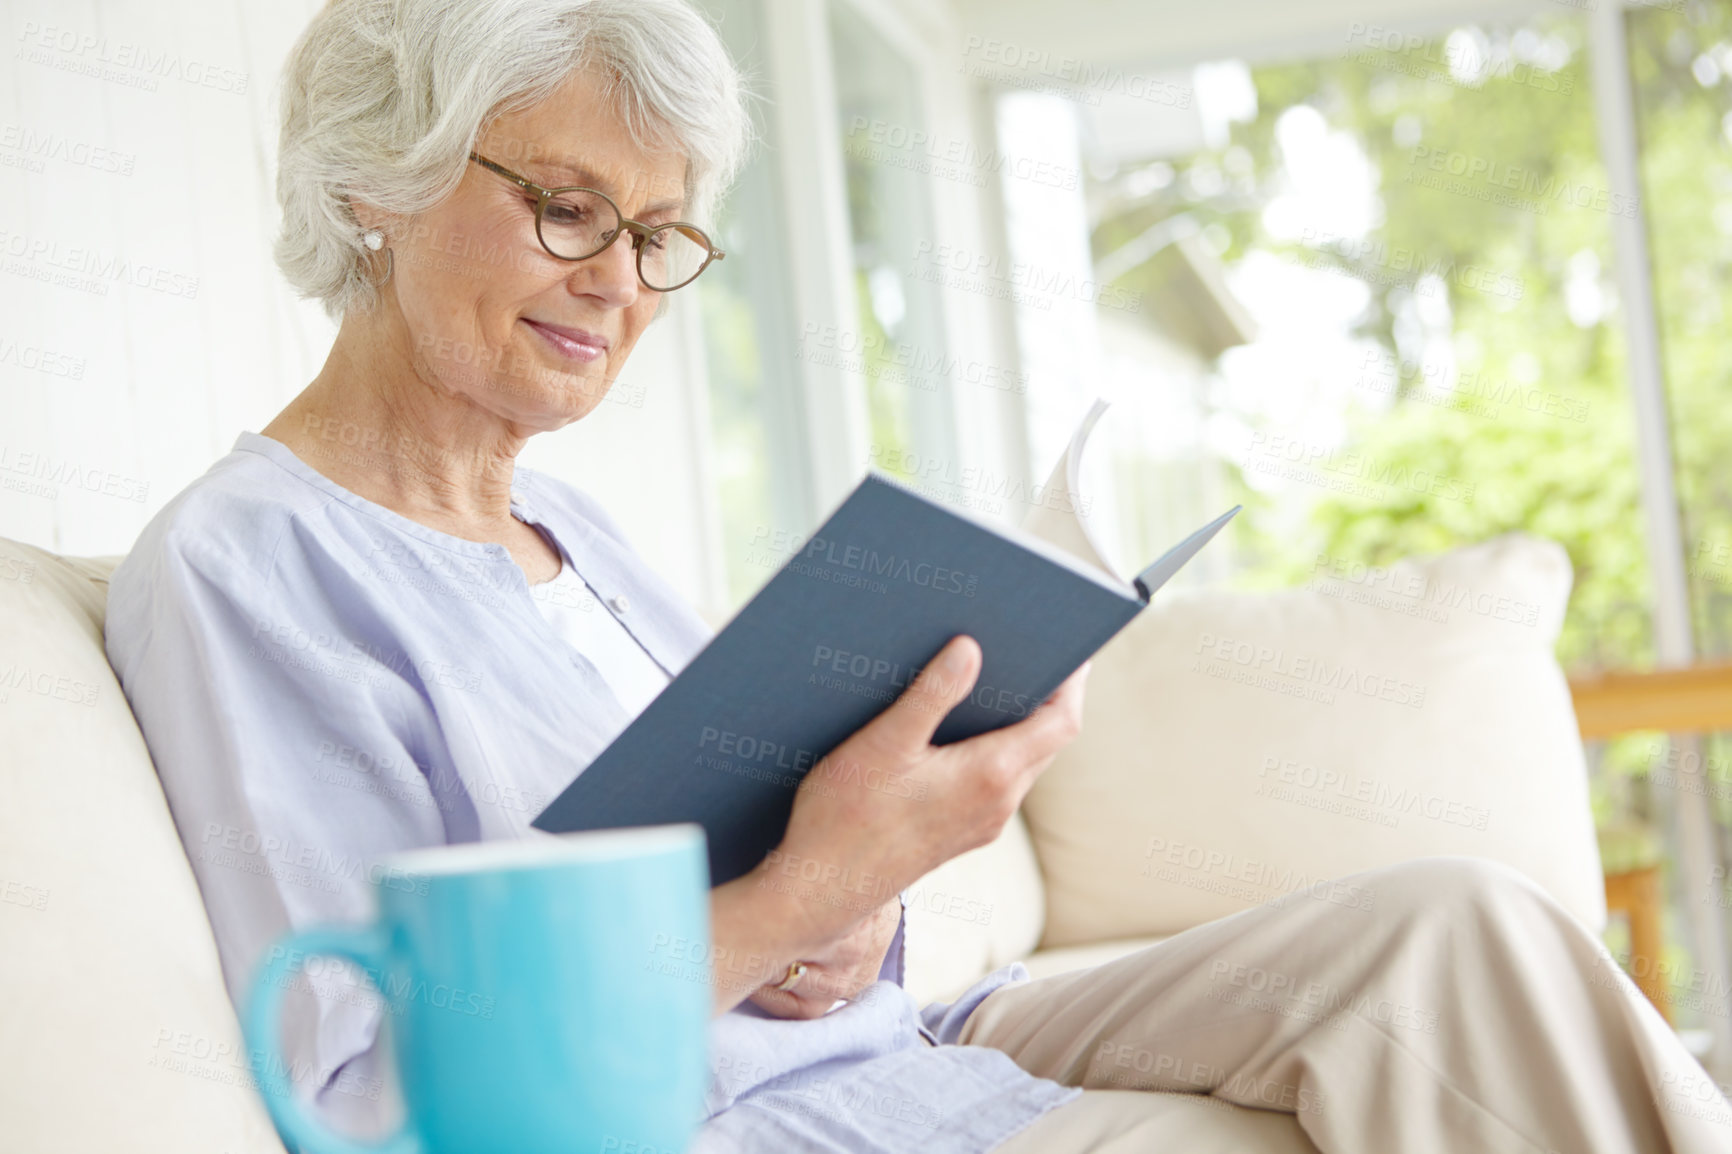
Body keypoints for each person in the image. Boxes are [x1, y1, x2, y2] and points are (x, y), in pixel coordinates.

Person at [104, 1, 1732, 1150]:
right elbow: (377, 1092)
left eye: (661, 233)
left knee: (1455, 929)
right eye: (568, 207)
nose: (622, 283)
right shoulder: (248, 566)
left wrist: (847, 916)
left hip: (914, 1031)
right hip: (766, 1115)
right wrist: (792, 903)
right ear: (371, 181)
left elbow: (765, 883)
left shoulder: (576, 537)